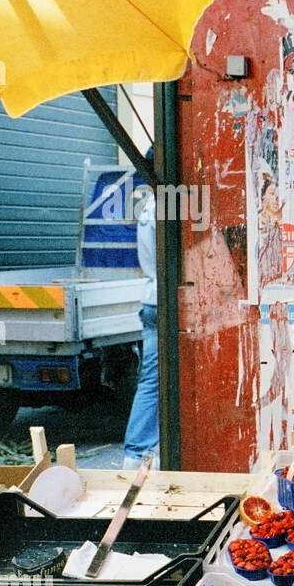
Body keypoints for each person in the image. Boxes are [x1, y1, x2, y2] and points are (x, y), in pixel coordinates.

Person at [122, 149, 160, 470]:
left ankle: (136, 451)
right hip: (166, 302)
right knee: (158, 379)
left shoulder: (148, 204)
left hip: (150, 298)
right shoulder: (168, 205)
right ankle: (137, 452)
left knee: (151, 378)